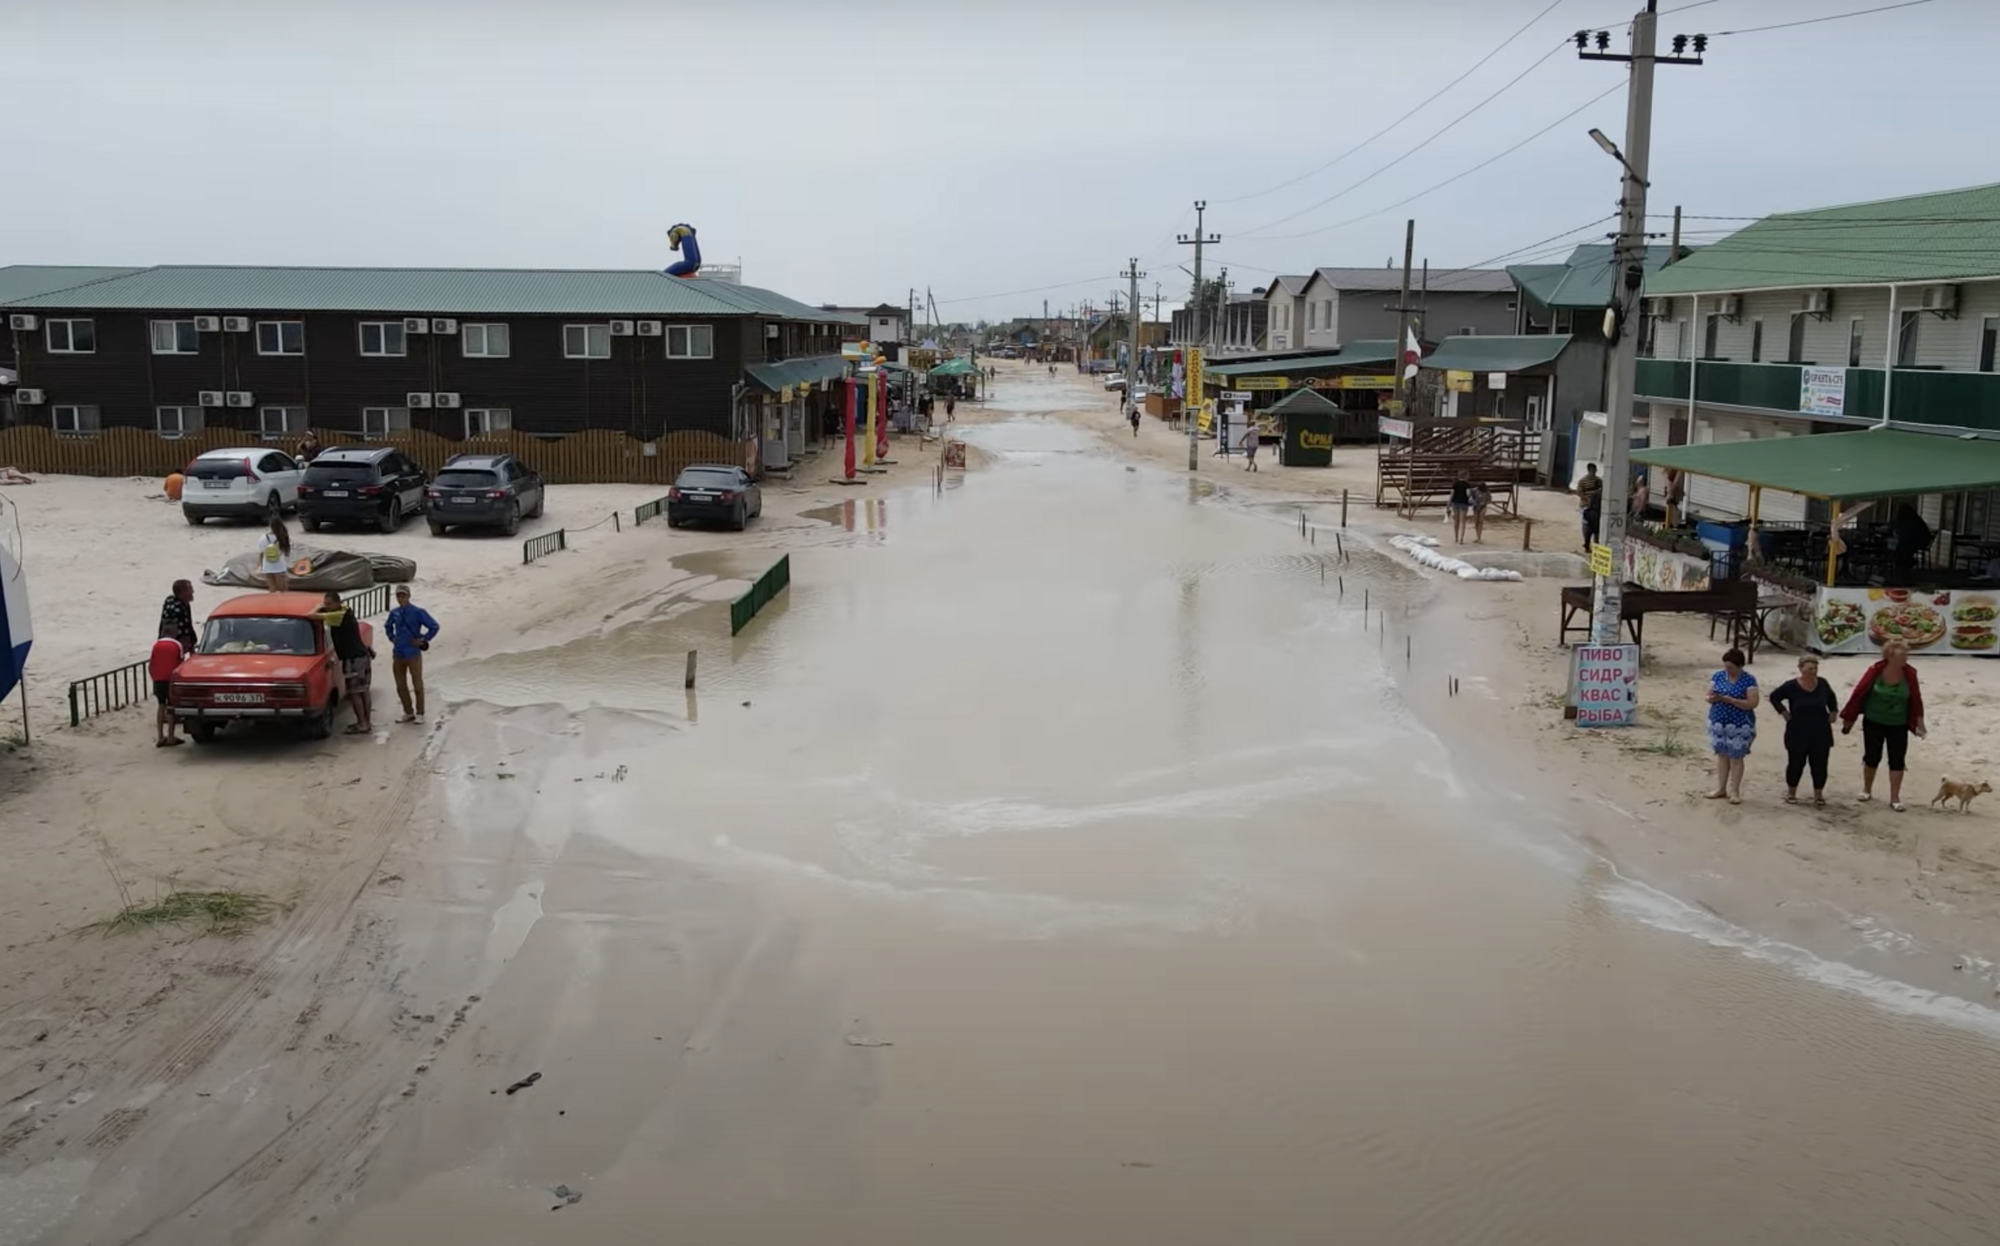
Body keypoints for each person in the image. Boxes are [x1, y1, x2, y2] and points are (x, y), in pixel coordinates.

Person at [1840, 637, 1926, 811]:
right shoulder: (1875, 671)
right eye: (1902, 655)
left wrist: (1920, 722)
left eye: (1906, 654)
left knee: (1897, 759)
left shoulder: (1910, 673)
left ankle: (1895, 797)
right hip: (1874, 720)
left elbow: (1916, 699)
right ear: (1889, 656)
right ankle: (1867, 789)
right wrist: (1849, 719)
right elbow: (1859, 694)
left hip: (1898, 723)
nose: (1906, 658)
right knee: (1872, 756)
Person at [1769, 656, 1841, 806]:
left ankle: (1818, 794)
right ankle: (1791, 792)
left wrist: (1833, 712)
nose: (1813, 671)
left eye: (1815, 668)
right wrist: (1783, 711)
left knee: (1820, 764)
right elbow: (1774, 697)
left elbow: (1831, 698)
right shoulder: (1791, 686)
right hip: (1797, 731)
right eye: (1809, 668)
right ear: (1801, 669)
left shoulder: (1822, 683)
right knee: (1796, 762)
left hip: (1820, 731)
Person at [313, 591, 374, 735]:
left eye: (329, 604)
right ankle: (366, 722)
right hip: (362, 656)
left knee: (354, 692)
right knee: (364, 690)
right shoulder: (345, 610)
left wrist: (318, 607)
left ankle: (361, 724)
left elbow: (312, 615)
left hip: (352, 659)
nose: (327, 607)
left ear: (336, 603)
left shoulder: (337, 616)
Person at [1705, 647, 1760, 804]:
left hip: (1739, 723)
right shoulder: (1718, 676)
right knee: (1722, 756)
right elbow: (1708, 695)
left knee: (1736, 757)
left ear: (1740, 666)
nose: (1728, 670)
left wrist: (1731, 700)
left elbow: (1752, 703)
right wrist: (1712, 698)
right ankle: (1721, 788)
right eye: (1726, 666)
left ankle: (1735, 791)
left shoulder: (1749, 680)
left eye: (1731, 667)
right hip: (1718, 720)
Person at [384, 586, 440, 724]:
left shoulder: (418, 612)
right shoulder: (394, 613)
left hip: (413, 654)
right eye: (398, 596)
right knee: (400, 685)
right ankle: (408, 712)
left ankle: (420, 712)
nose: (401, 598)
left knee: (417, 685)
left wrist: (423, 639)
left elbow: (434, 626)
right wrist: (392, 638)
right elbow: (388, 626)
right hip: (398, 653)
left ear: (408, 596)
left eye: (403, 596)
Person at [149, 631, 187, 747]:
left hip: (158, 679)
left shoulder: (156, 645)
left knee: (161, 706)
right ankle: (171, 736)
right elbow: (181, 665)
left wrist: (154, 677)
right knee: (171, 707)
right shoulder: (177, 645)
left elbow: (151, 665)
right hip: (171, 680)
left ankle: (160, 736)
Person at [1889, 503, 1934, 581]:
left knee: (1901, 548)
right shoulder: (1915, 519)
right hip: (1918, 541)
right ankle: (1903, 568)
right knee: (1902, 547)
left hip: (1915, 542)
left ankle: (1900, 568)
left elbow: (1902, 533)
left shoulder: (1907, 521)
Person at [158, 579, 198, 652]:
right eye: (190, 589)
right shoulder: (177, 609)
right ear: (183, 592)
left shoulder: (175, 602)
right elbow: (174, 631)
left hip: (167, 645)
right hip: (174, 647)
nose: (193, 591)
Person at [259, 517, 292, 592]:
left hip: (267, 566)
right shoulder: (283, 536)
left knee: (272, 590)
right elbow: (286, 552)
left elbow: (261, 553)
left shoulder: (263, 538)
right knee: (283, 591)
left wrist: (261, 566)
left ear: (270, 525)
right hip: (279, 566)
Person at [1576, 463, 1603, 550]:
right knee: (1586, 524)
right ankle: (1586, 542)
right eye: (1593, 470)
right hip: (1586, 506)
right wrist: (1587, 500)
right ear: (1589, 470)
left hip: (1596, 507)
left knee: (1596, 525)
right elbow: (1579, 492)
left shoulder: (1599, 481)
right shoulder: (1583, 481)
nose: (1594, 472)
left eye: (1595, 471)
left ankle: (1596, 543)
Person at [1448, 478, 1472, 544]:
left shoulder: (1455, 484)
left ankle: (1456, 538)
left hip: (1455, 502)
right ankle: (1461, 538)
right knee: (1463, 521)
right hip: (1464, 503)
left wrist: (1449, 503)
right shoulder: (1467, 484)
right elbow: (1468, 494)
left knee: (1456, 520)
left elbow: (1452, 494)